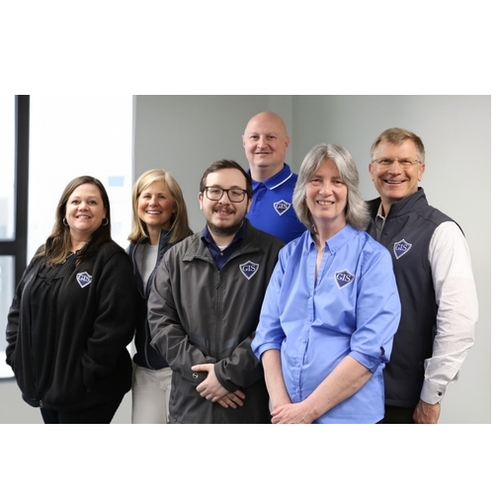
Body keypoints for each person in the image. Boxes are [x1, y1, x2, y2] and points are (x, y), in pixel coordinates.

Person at [252, 143, 401, 424]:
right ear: (303, 190)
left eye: (337, 181)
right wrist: (283, 408)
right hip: (287, 416)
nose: (325, 190)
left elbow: (369, 350)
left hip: (349, 420)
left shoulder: (372, 258)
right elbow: (268, 336)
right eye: (316, 180)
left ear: (350, 192)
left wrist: (306, 412)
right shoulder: (288, 256)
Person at [148, 159, 284, 423]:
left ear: (249, 202)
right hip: (190, 405)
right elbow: (161, 324)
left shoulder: (276, 255)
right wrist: (205, 376)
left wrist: (227, 375)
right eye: (215, 191)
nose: (224, 200)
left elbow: (276, 326)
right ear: (201, 199)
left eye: (235, 193)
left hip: (249, 406)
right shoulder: (176, 258)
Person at [366, 127, 478, 424]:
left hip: (403, 398)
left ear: (421, 170)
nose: (395, 170)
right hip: (343, 391)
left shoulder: (442, 232)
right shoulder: (352, 223)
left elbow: (459, 321)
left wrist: (431, 395)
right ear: (371, 169)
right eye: (385, 161)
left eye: (406, 162)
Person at [5, 176, 137, 424]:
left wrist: (82, 376)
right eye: (76, 201)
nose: (83, 207)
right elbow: (18, 310)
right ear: (64, 211)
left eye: (92, 202)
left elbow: (113, 330)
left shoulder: (112, 260)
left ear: (104, 212)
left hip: (88, 392)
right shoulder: (45, 253)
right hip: (46, 388)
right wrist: (16, 356)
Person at [127, 169, 193, 423]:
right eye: (146, 196)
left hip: (179, 369)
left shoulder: (190, 249)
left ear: (174, 206)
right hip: (144, 369)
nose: (152, 203)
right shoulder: (133, 250)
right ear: (137, 203)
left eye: (161, 197)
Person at [242, 111, 306, 243]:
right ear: (244, 142)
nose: (261, 145)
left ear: (286, 143)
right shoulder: (232, 190)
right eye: (254, 137)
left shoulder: (305, 190)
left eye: (271, 137)